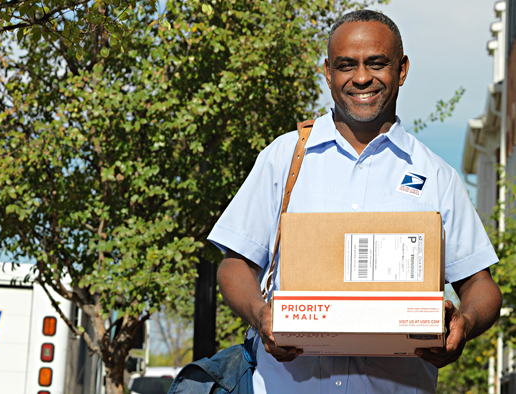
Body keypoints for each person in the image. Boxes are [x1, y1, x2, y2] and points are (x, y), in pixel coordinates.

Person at [208, 9, 502, 394]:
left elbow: (482, 285)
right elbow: (234, 265)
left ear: (403, 69)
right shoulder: (284, 158)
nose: (361, 78)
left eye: (376, 63)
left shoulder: (436, 176)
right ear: (328, 72)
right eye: (347, 65)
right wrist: (261, 314)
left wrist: (465, 322)